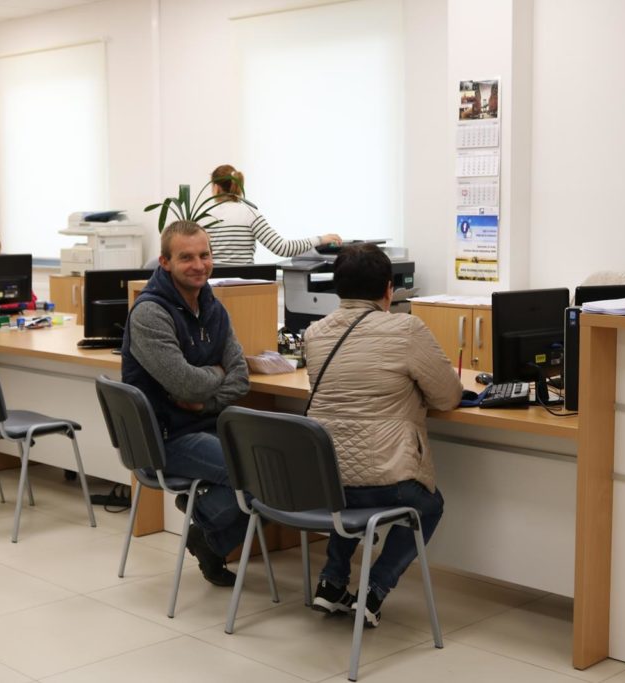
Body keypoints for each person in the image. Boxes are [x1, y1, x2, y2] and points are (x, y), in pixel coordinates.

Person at [302, 243, 462, 627]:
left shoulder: (314, 333)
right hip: (385, 482)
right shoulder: (406, 329)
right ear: (390, 289)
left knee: (348, 488)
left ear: (337, 288)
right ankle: (374, 590)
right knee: (428, 505)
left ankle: (332, 582)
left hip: (325, 481)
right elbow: (448, 395)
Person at [121, 220, 251, 586]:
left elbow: (240, 378)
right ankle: (208, 519)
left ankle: (208, 535)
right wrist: (216, 373)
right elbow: (185, 385)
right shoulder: (150, 313)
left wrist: (205, 400)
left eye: (204, 255)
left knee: (276, 462)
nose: (198, 265)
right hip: (166, 436)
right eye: (186, 258)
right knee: (257, 472)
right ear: (165, 262)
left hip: (206, 423)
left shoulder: (213, 307)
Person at [204, 164, 342, 265]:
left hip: (212, 289)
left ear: (216, 188)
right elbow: (283, 248)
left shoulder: (203, 217)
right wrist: (320, 239)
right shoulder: (250, 214)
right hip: (244, 288)